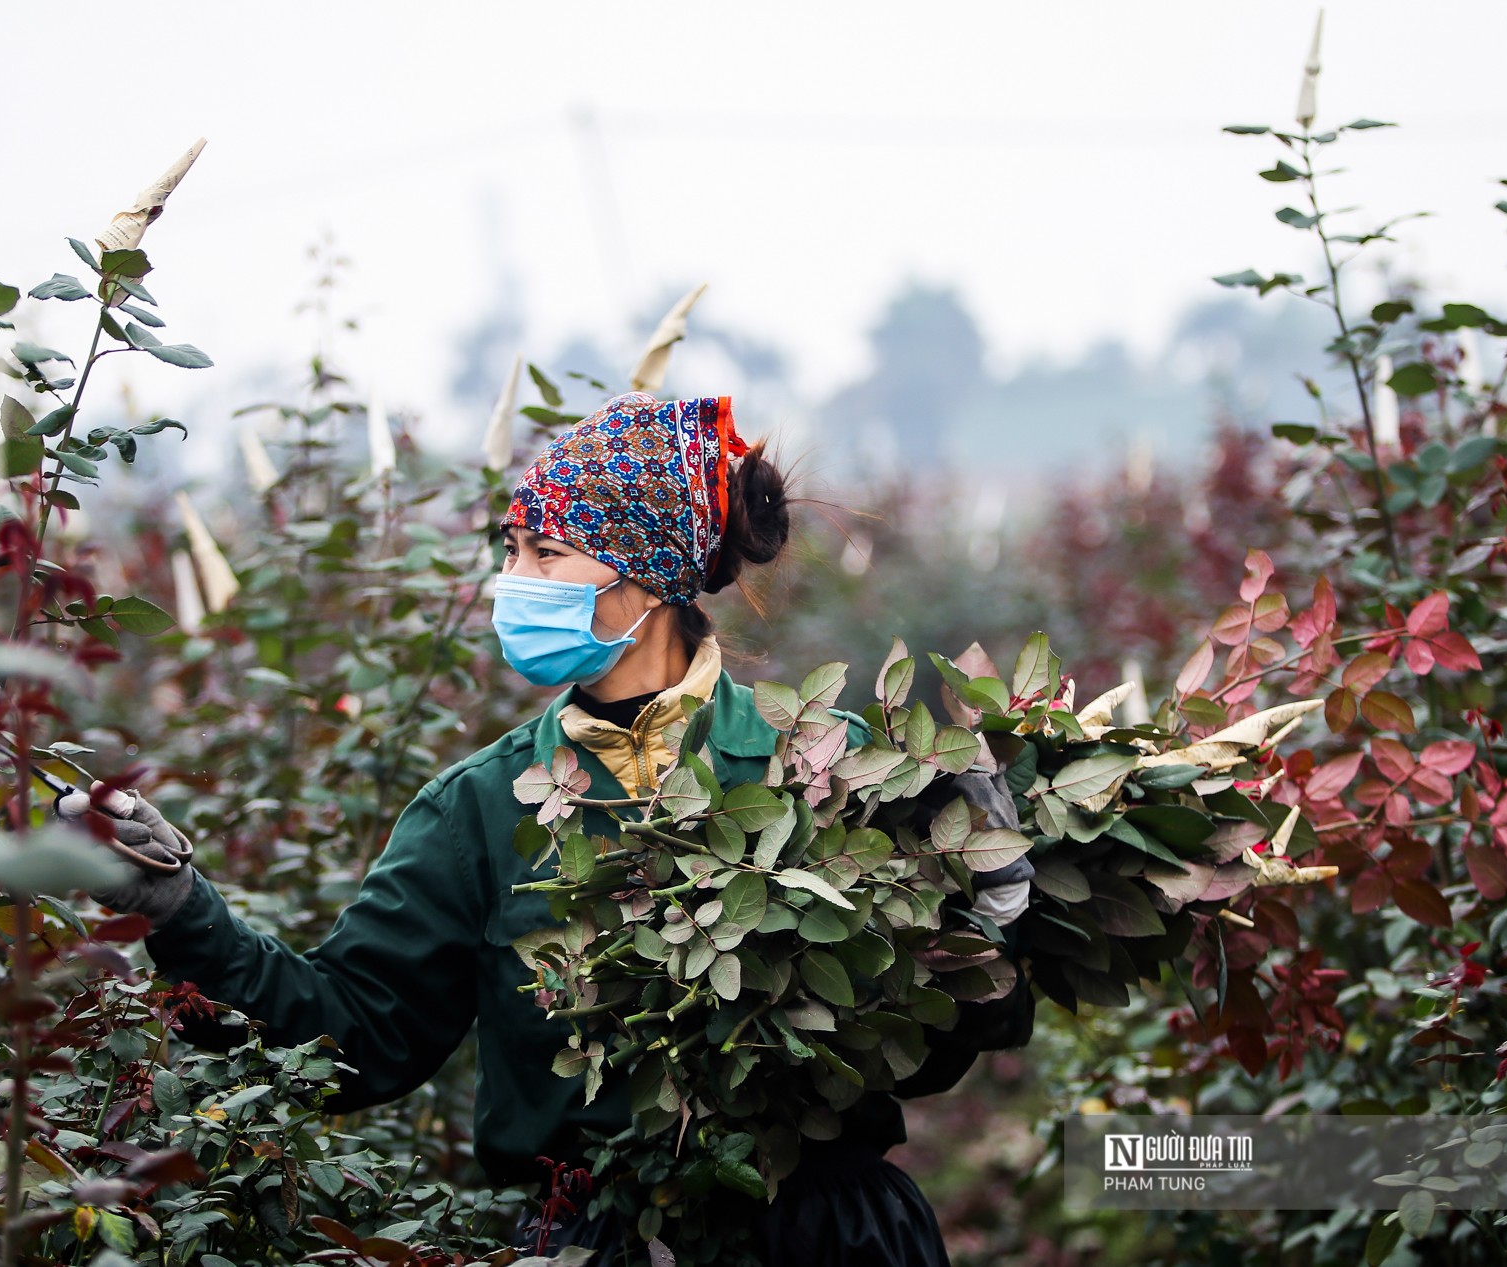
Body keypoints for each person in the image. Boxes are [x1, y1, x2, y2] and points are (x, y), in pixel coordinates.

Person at [65, 392, 1036, 1265]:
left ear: (643, 579)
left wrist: (993, 925)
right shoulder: (481, 808)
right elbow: (353, 1034)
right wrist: (184, 914)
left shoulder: (824, 765)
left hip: (827, 1239)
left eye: (543, 552)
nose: (510, 579)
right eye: (509, 550)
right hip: (594, 1242)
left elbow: (932, 1045)